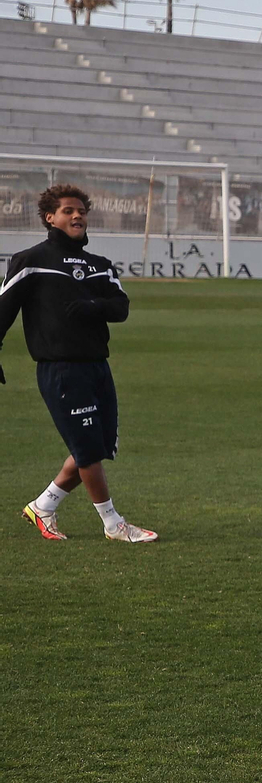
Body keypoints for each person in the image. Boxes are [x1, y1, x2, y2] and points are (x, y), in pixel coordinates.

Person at [1, 184, 157, 543]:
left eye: (81, 211)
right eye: (68, 211)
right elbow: (3, 309)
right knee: (88, 449)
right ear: (49, 217)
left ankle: (42, 506)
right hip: (61, 370)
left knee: (95, 447)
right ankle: (113, 524)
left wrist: (94, 306)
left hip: (98, 367)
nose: (77, 216)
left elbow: (121, 308)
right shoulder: (31, 260)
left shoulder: (99, 266)